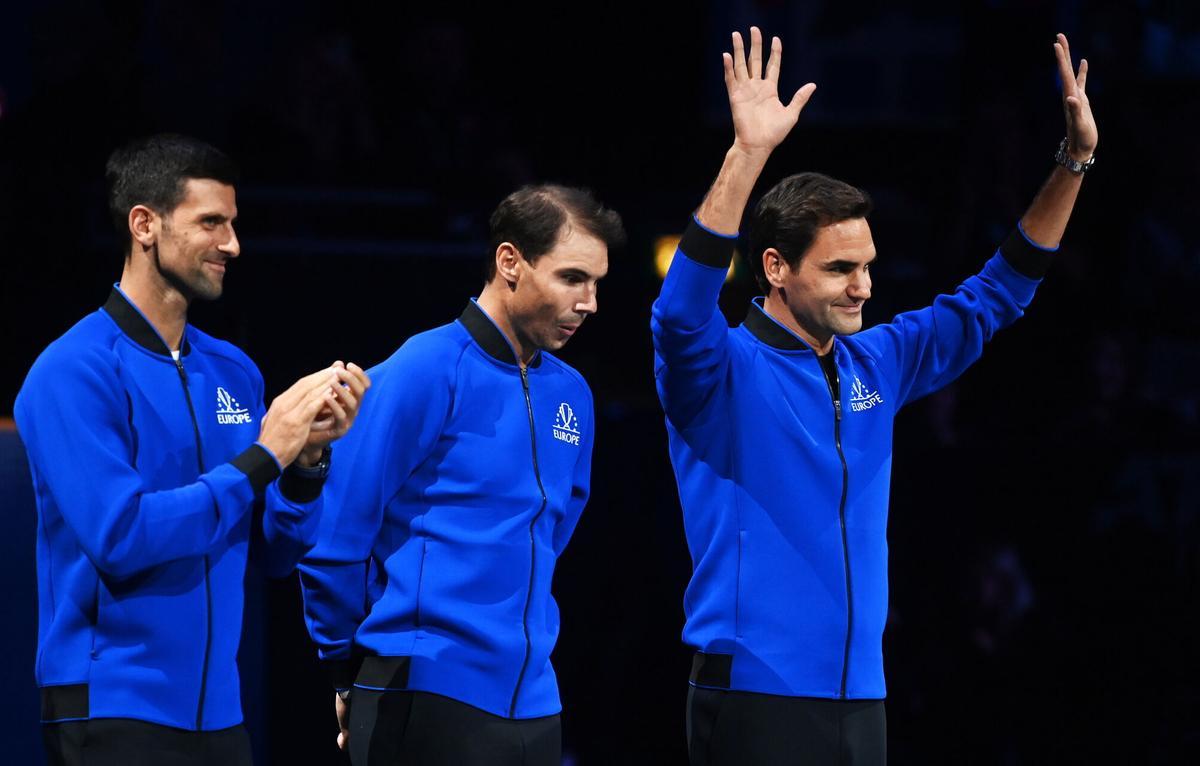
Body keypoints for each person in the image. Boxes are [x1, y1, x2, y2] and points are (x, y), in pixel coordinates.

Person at [651, 28, 1097, 764]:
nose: (863, 286)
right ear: (776, 268)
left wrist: (1074, 161)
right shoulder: (717, 370)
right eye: (840, 269)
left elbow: (999, 294)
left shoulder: (876, 363)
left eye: (868, 265)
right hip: (756, 697)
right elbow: (679, 310)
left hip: (861, 700)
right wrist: (748, 154)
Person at [14, 133, 371, 766]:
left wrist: (306, 466)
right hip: (111, 711)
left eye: (234, 224)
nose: (233, 244)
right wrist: (264, 456)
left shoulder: (234, 371)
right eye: (211, 223)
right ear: (144, 225)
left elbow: (275, 552)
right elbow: (122, 537)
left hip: (222, 716)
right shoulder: (72, 371)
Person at [298, 185, 624, 765]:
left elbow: (552, 536)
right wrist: (346, 667)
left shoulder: (572, 392)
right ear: (510, 263)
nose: (590, 302)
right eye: (573, 277)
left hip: (534, 704)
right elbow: (335, 533)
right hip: (423, 689)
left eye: (597, 283)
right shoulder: (424, 369)